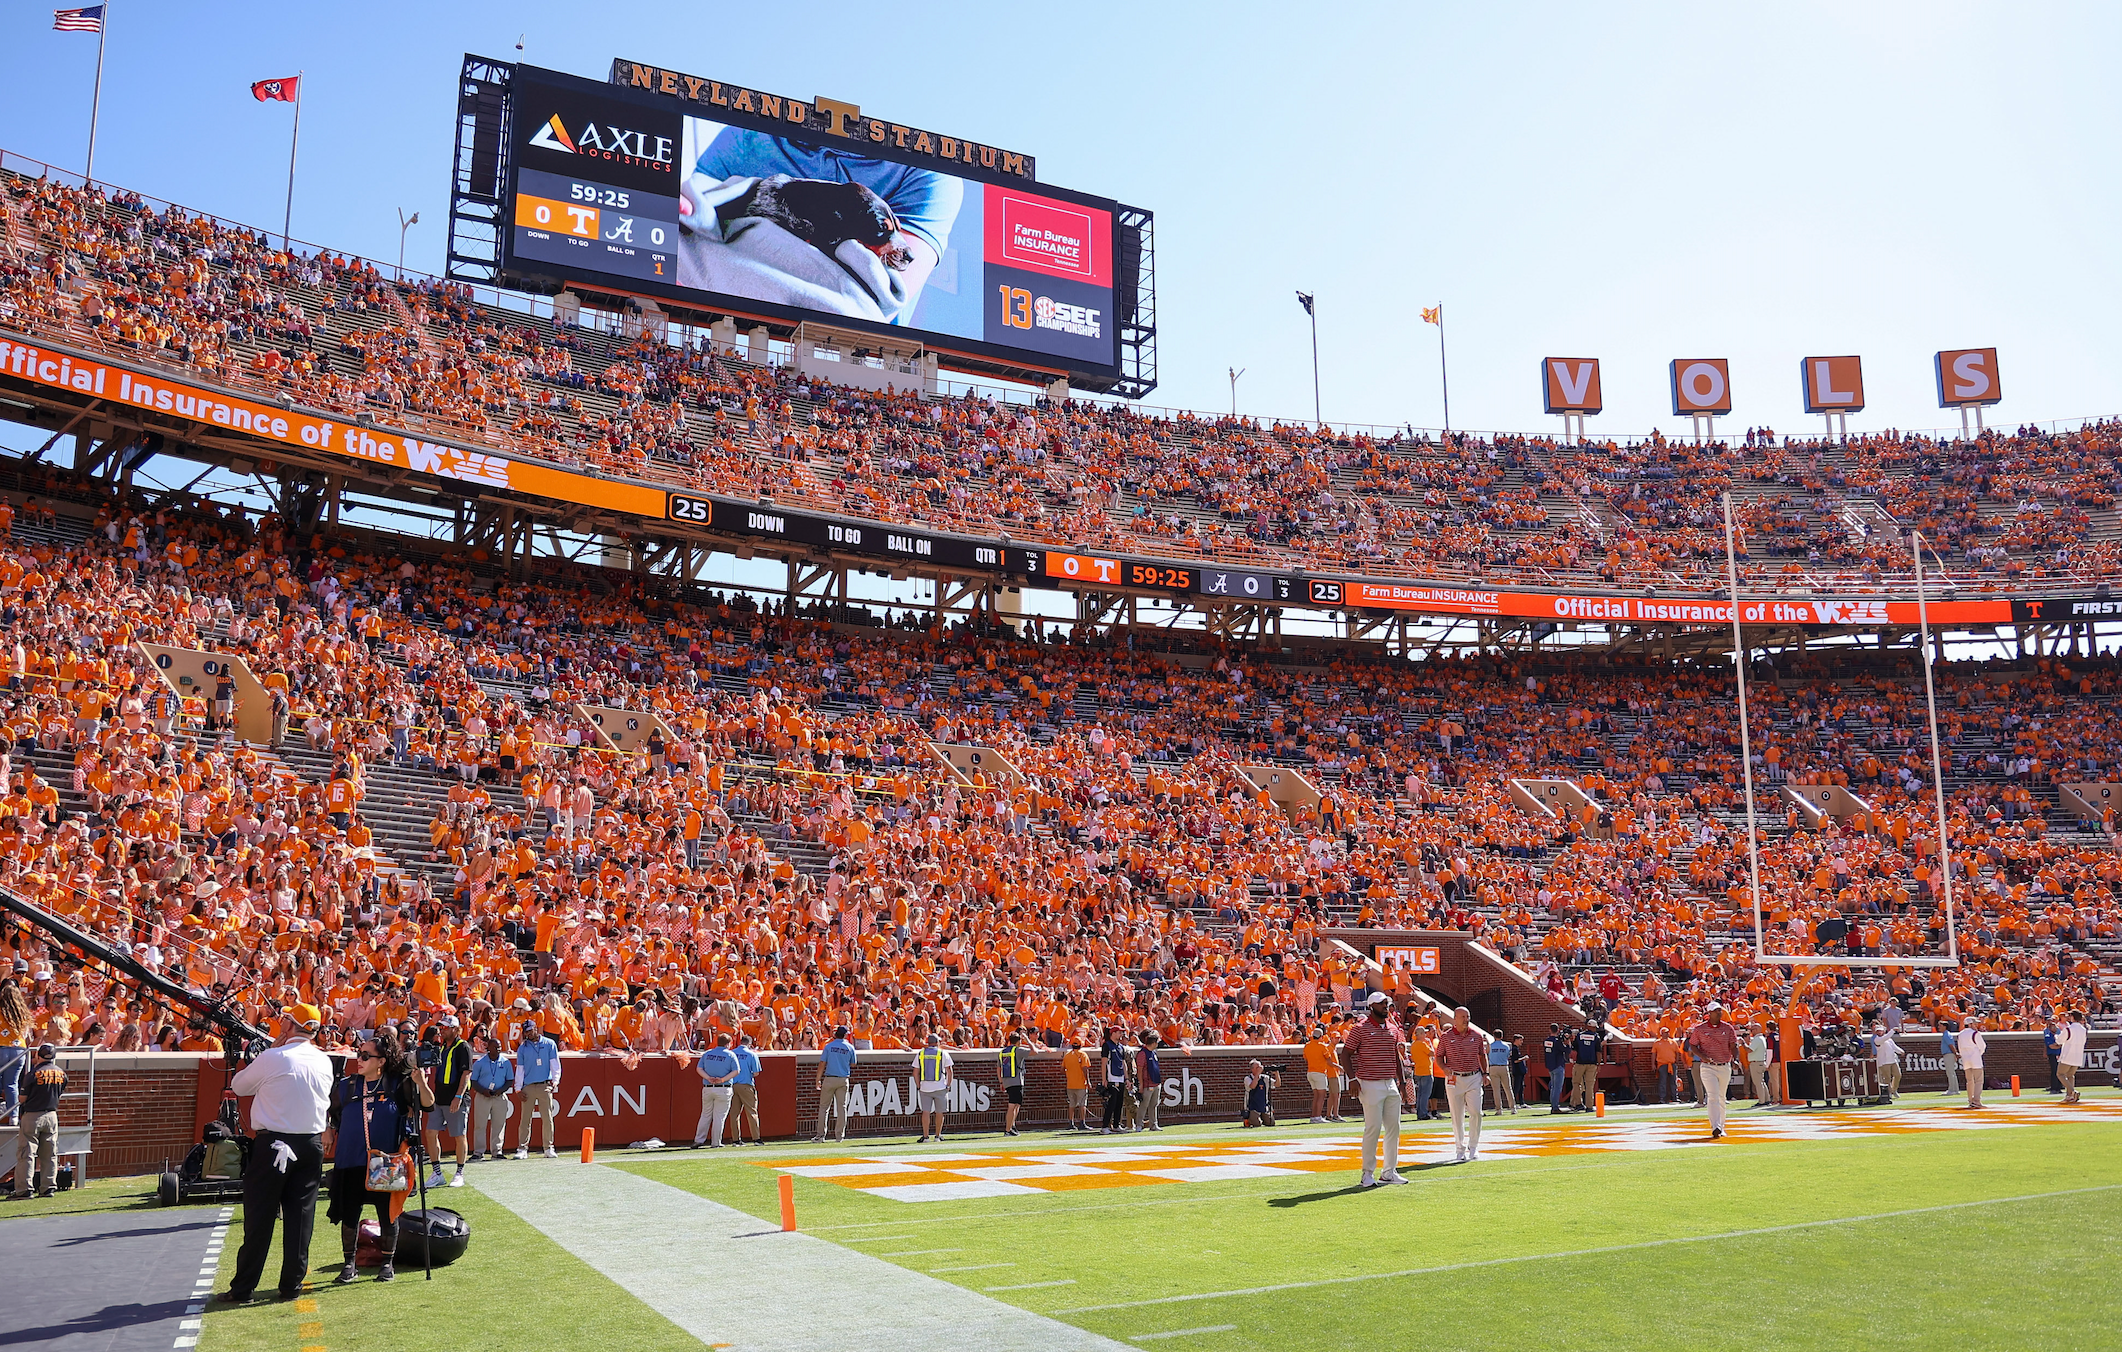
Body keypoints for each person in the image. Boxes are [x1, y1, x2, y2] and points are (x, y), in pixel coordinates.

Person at [220, 1005, 334, 1305]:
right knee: (301, 1218)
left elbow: (239, 1086)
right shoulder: (324, 1061)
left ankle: (243, 1288)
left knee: (259, 1218)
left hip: (274, 1146)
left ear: (289, 1024)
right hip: (310, 1144)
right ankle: (291, 1286)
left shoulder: (273, 1057)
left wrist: (269, 1051)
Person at [324, 1031, 432, 1284]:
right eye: (358, 1054)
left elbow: (427, 1104)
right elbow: (330, 1110)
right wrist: (327, 1129)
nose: (358, 1060)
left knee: (388, 1215)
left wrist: (421, 1082)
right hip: (350, 1160)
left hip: (386, 1162)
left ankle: (387, 1264)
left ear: (381, 1060)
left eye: (365, 1056)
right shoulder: (347, 1085)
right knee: (350, 1215)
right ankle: (349, 1265)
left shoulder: (396, 1083)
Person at [1339, 993, 1408, 1186]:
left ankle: (1389, 1171)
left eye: (1387, 1003)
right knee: (1373, 1128)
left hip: (1390, 1083)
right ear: (1371, 1007)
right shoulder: (1359, 1029)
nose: (1386, 1006)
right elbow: (1346, 1054)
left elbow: (1396, 1057)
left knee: (1394, 1128)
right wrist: (1352, 1078)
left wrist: (1402, 1082)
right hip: (1369, 1083)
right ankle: (1367, 1172)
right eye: (1382, 1004)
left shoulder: (1393, 1029)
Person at [422, 1016, 472, 1187]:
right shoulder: (442, 1047)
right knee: (430, 1132)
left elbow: (466, 1074)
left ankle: (459, 1173)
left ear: (455, 1029)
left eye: (445, 1027)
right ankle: (437, 1173)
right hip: (439, 1097)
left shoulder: (463, 1047)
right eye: (441, 1027)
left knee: (459, 1135)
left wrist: (458, 1097)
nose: (442, 1030)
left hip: (455, 1098)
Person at [1435, 1006, 1489, 1163]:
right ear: (1455, 1018)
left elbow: (1482, 1055)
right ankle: (1460, 1148)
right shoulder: (1446, 1037)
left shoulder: (1477, 1036)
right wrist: (1444, 1068)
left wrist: (1485, 1073)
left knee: (1476, 1112)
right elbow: (1439, 1056)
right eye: (1463, 1017)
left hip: (1473, 1077)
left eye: (1468, 1016)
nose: (1466, 1020)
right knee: (1457, 1115)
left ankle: (1473, 1146)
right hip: (1454, 1078)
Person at [10, 1044, 64, 1199]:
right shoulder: (61, 1073)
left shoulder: (33, 1074)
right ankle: (48, 1188)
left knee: (26, 1153)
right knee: (50, 1154)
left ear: (38, 1056)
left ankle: (25, 1190)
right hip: (52, 1115)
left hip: (32, 1115)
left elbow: (22, 1098)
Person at [1686, 1003, 1742, 1139]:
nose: (1720, 1013)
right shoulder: (1700, 1029)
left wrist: (1736, 1059)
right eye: (1717, 1011)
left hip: (1724, 1065)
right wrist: (1702, 1056)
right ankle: (1715, 1126)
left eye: (1720, 1011)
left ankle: (1721, 1126)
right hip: (1708, 1066)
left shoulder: (1728, 1028)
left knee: (1722, 1097)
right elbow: (1692, 1045)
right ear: (1709, 1013)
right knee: (1712, 1095)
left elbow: (1734, 1045)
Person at [513, 1016, 563, 1159]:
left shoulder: (549, 1044)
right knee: (525, 1119)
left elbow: (555, 1064)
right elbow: (520, 1069)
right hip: (528, 1086)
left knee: (547, 1117)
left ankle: (548, 1147)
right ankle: (522, 1148)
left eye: (530, 1030)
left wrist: (555, 1080)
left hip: (544, 1084)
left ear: (536, 1028)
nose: (529, 1034)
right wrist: (518, 1088)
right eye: (526, 1032)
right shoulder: (523, 1048)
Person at [466, 1035, 513, 1160]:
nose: (498, 1049)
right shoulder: (480, 1063)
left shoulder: (506, 1062)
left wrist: (500, 1090)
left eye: (499, 1047)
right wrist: (483, 1091)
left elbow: (509, 1080)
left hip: (499, 1097)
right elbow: (473, 1081)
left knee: (499, 1124)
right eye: (495, 1047)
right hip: (483, 1096)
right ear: (489, 1048)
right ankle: (478, 1152)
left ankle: (497, 1151)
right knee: (480, 1125)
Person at [692, 1033, 740, 1148]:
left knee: (705, 1114)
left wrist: (708, 1078)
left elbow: (699, 1068)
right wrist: (722, 1079)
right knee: (719, 1116)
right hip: (723, 1088)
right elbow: (736, 1071)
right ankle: (716, 1142)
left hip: (708, 1087)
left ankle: (699, 1140)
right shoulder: (730, 1055)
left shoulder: (708, 1053)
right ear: (728, 1044)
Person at [816, 1025, 858, 1142]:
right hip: (843, 1079)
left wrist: (817, 1079)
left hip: (829, 1078)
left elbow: (822, 1063)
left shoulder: (829, 1046)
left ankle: (820, 1136)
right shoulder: (850, 1047)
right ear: (845, 1035)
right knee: (842, 1108)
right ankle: (839, 1136)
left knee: (824, 1107)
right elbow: (854, 1063)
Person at [915, 1031, 954, 1142]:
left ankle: (926, 1136)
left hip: (924, 1087)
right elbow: (949, 1071)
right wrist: (948, 1085)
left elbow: (915, 1072)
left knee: (926, 1111)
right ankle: (938, 1136)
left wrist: (919, 1086)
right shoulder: (943, 1053)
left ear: (927, 1042)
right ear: (937, 1042)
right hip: (940, 1086)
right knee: (939, 1112)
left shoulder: (921, 1053)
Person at [730, 1032, 763, 1145]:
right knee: (752, 1112)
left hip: (733, 1085)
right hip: (746, 1085)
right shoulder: (751, 1054)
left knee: (734, 1113)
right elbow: (756, 1073)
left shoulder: (732, 1053)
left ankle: (736, 1139)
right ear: (750, 1044)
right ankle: (756, 1138)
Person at [997, 1031, 1028, 1136]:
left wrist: (1001, 1081)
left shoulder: (1002, 1052)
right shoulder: (1018, 1050)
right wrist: (1027, 1040)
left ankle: (1012, 1125)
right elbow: (1035, 1051)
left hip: (1007, 1080)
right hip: (1017, 1080)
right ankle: (1008, 1129)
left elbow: (999, 1068)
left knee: (1016, 1104)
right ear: (1018, 1041)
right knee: (1012, 1105)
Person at [1407, 1016, 1437, 1122]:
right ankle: (1423, 1113)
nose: (1425, 1035)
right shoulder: (1423, 1044)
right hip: (1426, 1071)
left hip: (1418, 1071)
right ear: (1420, 1034)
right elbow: (1432, 1053)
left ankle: (1420, 1112)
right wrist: (1429, 1043)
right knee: (1425, 1093)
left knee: (1420, 1093)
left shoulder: (1414, 1044)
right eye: (1424, 1033)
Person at [1304, 1026, 1336, 1123]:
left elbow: (1305, 1058)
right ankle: (1317, 1117)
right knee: (1321, 1096)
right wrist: (1339, 1067)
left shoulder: (1307, 1045)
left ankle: (1314, 1116)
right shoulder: (1322, 1046)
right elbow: (1329, 1061)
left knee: (1316, 1095)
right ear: (1321, 1036)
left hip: (1310, 1072)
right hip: (1320, 1073)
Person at [1570, 1022, 1604, 1112]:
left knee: (1576, 1083)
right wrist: (1599, 1064)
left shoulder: (1579, 1035)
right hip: (1592, 1064)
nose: (1595, 1029)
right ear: (1591, 1027)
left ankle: (1578, 1104)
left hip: (1580, 1063)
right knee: (1589, 1086)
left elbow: (1574, 1050)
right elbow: (1599, 1052)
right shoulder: (1596, 1037)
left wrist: (1573, 1060)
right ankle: (1589, 1106)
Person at [1135, 1032, 1165, 1132]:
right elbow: (1139, 1069)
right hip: (1147, 1084)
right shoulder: (1143, 1053)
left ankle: (1154, 1124)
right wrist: (1141, 1084)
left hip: (1156, 1083)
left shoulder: (1153, 1052)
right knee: (1144, 1105)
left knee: (1154, 1105)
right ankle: (1139, 1124)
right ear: (1153, 1043)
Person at [2057, 1010, 2088, 1104]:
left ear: (2073, 1017)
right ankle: (2069, 1096)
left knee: (2060, 1074)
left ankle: (2072, 1091)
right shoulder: (2083, 1030)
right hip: (2078, 1056)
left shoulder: (2068, 1029)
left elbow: (2059, 1041)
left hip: (2068, 1055)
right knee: (2070, 1075)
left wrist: (2056, 1037)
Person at [1485, 1030, 1517, 1115]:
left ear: (1494, 1036)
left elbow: (1487, 1055)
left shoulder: (1490, 1046)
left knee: (1496, 1090)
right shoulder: (1506, 1046)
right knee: (1508, 1088)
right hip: (1503, 1067)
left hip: (1493, 1067)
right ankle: (1513, 1108)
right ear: (1502, 1036)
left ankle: (1499, 1109)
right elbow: (1508, 1056)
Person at [1957, 1023, 1988, 1108]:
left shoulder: (1960, 1034)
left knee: (1969, 1081)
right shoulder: (1975, 1033)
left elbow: (1959, 1048)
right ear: (1970, 1024)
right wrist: (1978, 1054)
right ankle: (1976, 1100)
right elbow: (1982, 1046)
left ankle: (1970, 1100)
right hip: (1975, 1059)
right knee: (1978, 1080)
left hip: (1965, 1059)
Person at [1062, 1041, 1091, 1132]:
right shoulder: (1083, 1055)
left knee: (1071, 1104)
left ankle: (1071, 1122)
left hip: (1070, 1084)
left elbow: (1062, 1069)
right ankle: (1082, 1122)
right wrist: (1088, 1081)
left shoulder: (1067, 1055)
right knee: (1082, 1104)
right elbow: (1085, 1068)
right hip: (1081, 1083)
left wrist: (1069, 1074)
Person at [1241, 1059, 1278, 1129]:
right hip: (1252, 1106)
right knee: (1257, 1124)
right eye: (1257, 1067)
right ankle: (1248, 1119)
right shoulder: (1248, 1078)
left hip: (1263, 1105)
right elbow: (1252, 1086)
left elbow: (1277, 1084)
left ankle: (1263, 1116)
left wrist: (1276, 1074)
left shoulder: (1265, 1078)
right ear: (1252, 1069)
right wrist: (1257, 1074)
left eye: (1260, 1066)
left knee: (1271, 1123)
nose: (1260, 1068)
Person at [1546, 1023, 1574, 1113]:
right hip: (1558, 1065)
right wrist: (1568, 1042)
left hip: (1550, 1065)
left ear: (1550, 1030)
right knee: (1557, 1088)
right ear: (1558, 1030)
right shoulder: (1557, 1041)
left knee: (1553, 1087)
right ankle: (1555, 1107)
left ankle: (1553, 1105)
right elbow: (1567, 1050)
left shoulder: (1546, 1041)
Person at [1872, 1022, 1901, 1102]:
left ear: (1883, 1031)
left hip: (1892, 1060)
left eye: (1880, 1031)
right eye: (1877, 1031)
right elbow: (1885, 1038)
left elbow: (1894, 1047)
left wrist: (1901, 1051)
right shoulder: (1877, 1039)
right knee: (1887, 1079)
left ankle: (1894, 1090)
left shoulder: (1889, 1039)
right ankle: (1889, 1093)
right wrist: (1892, 1030)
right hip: (1884, 1062)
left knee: (1898, 1075)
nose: (1879, 1032)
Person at [1745, 1023, 1772, 1104]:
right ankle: (1766, 1099)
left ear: (1756, 1030)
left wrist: (1744, 1043)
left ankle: (1762, 1101)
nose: (1751, 1032)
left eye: (1752, 1030)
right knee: (1762, 1082)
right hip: (1760, 1061)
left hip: (1756, 1063)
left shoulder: (1757, 1039)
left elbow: (1749, 1050)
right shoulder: (1761, 1038)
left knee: (1758, 1083)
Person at [1937, 1022, 1962, 1096]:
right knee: (1952, 1072)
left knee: (1950, 1072)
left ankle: (1952, 1090)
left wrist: (1955, 1053)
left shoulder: (1946, 1035)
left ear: (1945, 1027)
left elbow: (1950, 1045)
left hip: (1948, 1054)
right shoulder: (1947, 1034)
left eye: (1940, 1026)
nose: (1939, 1027)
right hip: (1950, 1054)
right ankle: (1955, 1089)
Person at [2043, 1018, 2063, 1095]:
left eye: (2055, 1027)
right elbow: (2051, 1046)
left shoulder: (2059, 1034)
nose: (2054, 1029)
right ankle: (2054, 1087)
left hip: (2059, 1054)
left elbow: (2061, 1043)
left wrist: (2057, 1045)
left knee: (2060, 1071)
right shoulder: (2048, 1035)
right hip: (2052, 1054)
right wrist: (2057, 1045)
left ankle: (2059, 1087)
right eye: (2052, 1027)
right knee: (2054, 1071)